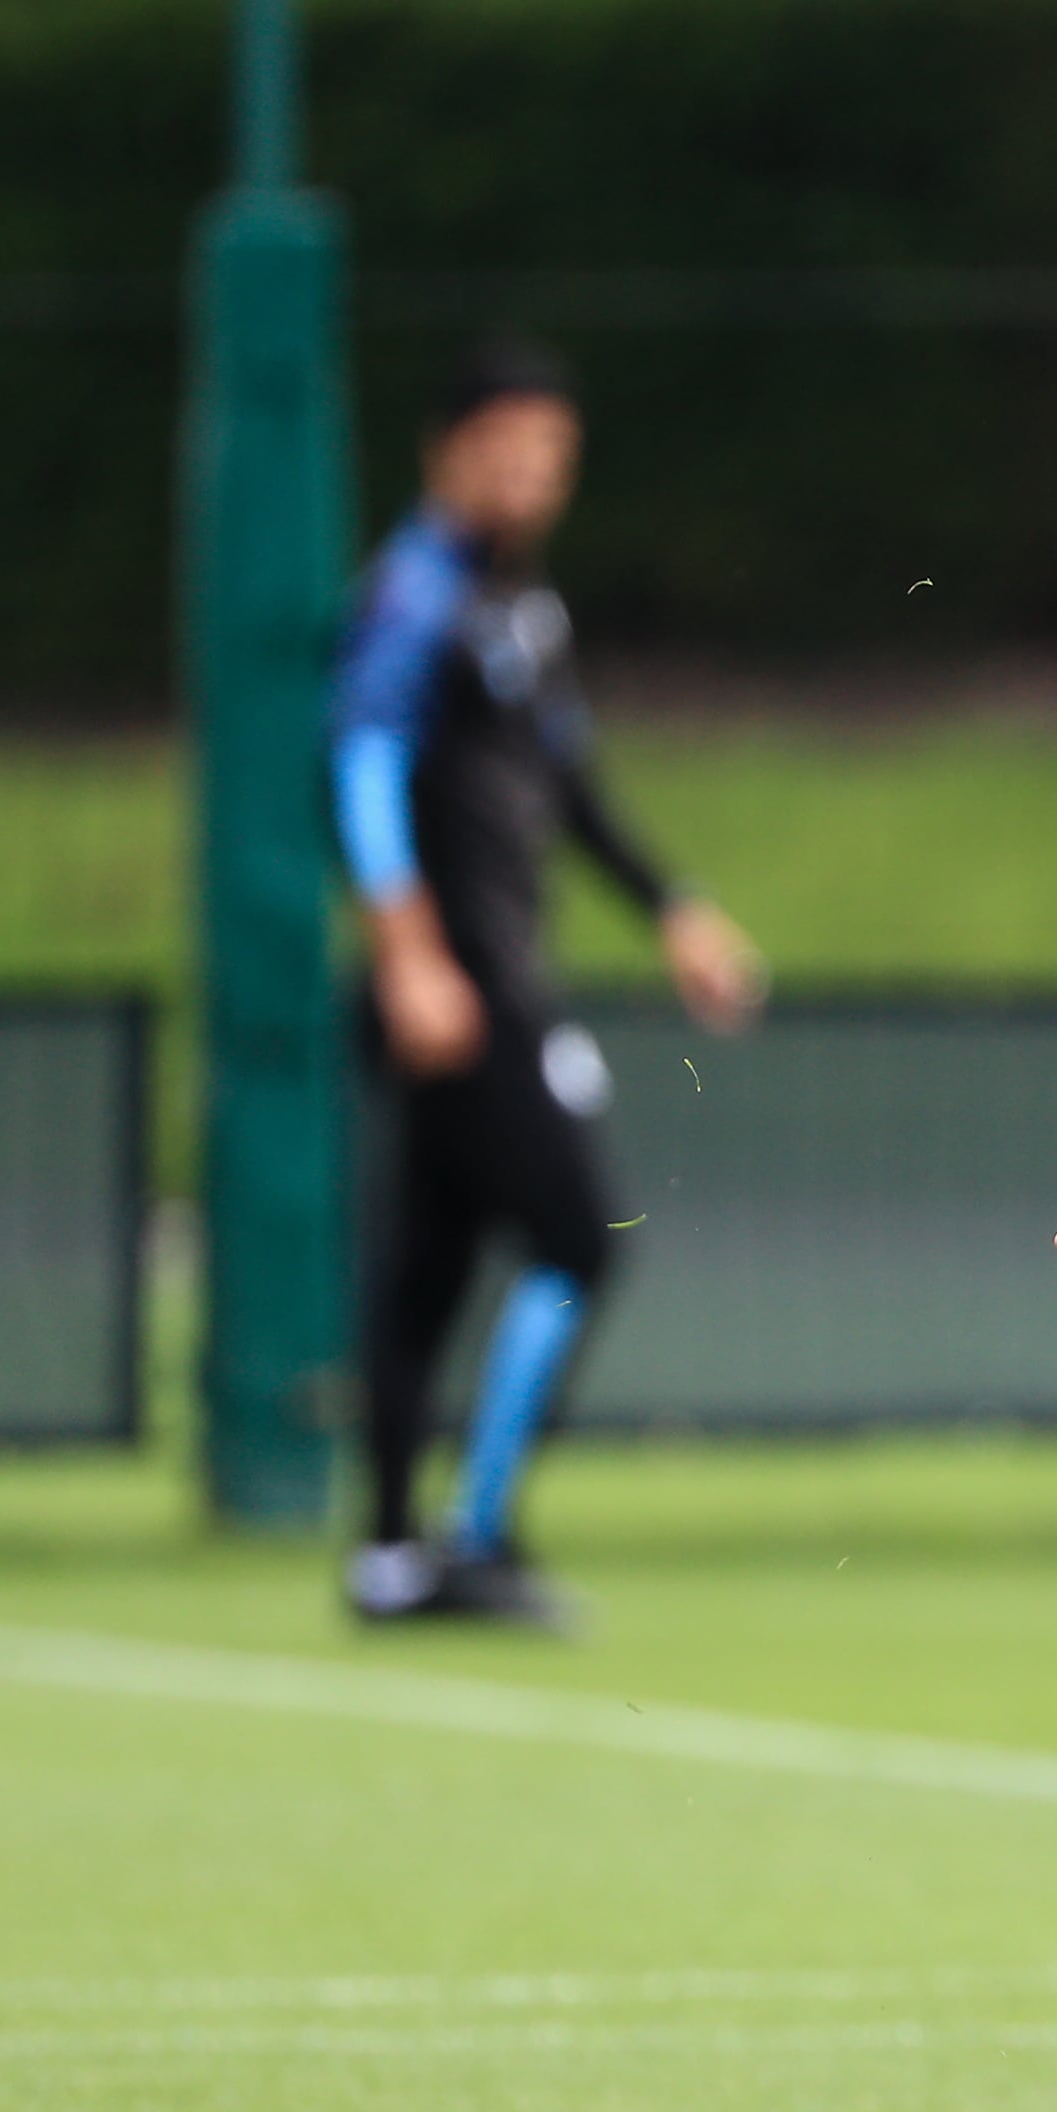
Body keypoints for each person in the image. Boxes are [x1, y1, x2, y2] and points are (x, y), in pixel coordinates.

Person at [333, 339, 765, 1627]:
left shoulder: (525, 607)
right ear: (444, 450)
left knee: (429, 1263)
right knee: (577, 1239)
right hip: (463, 994)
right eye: (504, 449)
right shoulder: (411, 595)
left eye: (549, 455)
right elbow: (358, 771)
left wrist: (672, 910)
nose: (528, 476)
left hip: (498, 979)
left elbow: (567, 786)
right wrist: (410, 957)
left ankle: (392, 1557)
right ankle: (471, 1538)